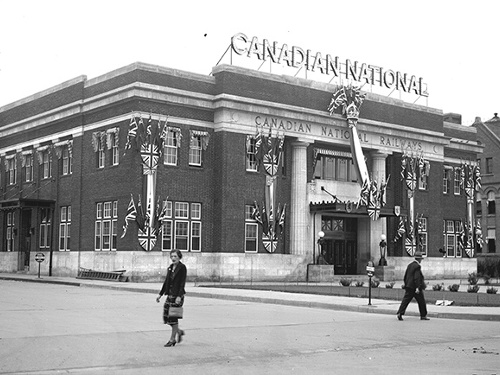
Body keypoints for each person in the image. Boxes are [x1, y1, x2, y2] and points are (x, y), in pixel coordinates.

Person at [156, 249, 187, 346]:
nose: (173, 258)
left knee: (173, 318)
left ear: (179, 257)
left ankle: (172, 339)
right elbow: (166, 282)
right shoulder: (170, 268)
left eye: (175, 256)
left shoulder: (182, 268)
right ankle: (179, 331)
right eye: (172, 256)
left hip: (177, 296)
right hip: (169, 295)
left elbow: (182, 283)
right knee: (166, 317)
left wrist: (179, 296)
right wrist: (160, 294)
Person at [396, 250, 429, 321]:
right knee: (421, 301)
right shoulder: (417, 266)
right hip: (415, 287)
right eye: (421, 259)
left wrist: (406, 284)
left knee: (405, 300)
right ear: (419, 259)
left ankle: (400, 313)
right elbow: (417, 277)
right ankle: (423, 315)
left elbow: (406, 276)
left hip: (409, 286)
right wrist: (417, 287)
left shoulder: (410, 265)